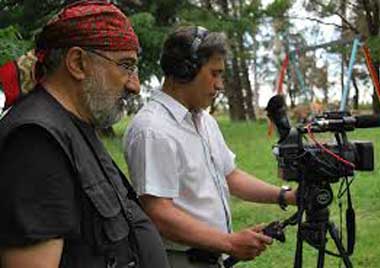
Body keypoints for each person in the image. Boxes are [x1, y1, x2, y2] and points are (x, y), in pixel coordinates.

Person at [0, 1, 170, 267]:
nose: (135, 85)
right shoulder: (36, 141)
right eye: (126, 66)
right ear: (78, 63)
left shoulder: (73, 126)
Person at [123, 26, 297, 268]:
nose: (220, 85)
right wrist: (229, 242)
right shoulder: (152, 130)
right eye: (214, 74)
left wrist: (286, 196)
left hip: (211, 257)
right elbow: (159, 213)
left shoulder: (204, 121)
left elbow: (231, 176)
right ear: (185, 70)